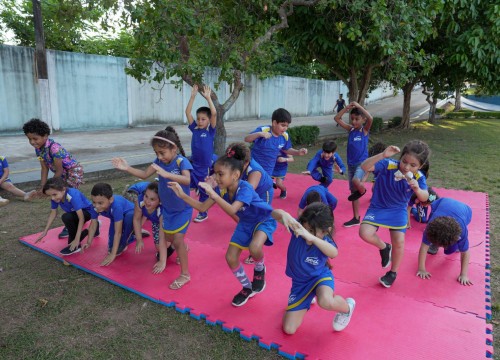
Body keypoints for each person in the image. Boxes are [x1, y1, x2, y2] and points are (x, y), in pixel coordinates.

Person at [168, 145, 277, 307]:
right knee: (230, 257)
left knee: (255, 247)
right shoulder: (222, 189)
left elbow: (233, 209)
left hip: (263, 219)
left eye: (220, 174)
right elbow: (202, 207)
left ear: (235, 175)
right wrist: (183, 194)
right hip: (246, 222)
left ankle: (260, 268)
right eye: (215, 173)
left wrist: (213, 193)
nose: (216, 178)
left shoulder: (246, 186)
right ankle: (247, 287)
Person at [112, 127, 192, 290]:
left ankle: (185, 274)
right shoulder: (158, 162)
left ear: (174, 149)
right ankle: (183, 248)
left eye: (162, 153)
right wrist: (126, 168)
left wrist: (168, 174)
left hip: (182, 209)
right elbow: (143, 174)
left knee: (176, 240)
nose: (159, 157)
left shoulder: (180, 161)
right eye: (156, 153)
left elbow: (187, 180)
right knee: (170, 239)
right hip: (167, 210)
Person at [272, 203, 355, 334]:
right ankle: (308, 297)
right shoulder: (297, 230)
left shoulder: (325, 242)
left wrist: (312, 238)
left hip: (319, 278)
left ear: (325, 230)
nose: (305, 233)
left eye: (311, 231)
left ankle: (347, 308)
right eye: (305, 228)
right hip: (300, 284)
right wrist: (283, 214)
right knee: (289, 329)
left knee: (325, 301)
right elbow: (274, 213)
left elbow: (334, 253)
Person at [359, 140, 430, 288]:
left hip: (398, 210)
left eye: (413, 165)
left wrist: (417, 189)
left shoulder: (419, 177)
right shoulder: (388, 164)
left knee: (399, 242)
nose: (406, 167)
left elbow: (425, 197)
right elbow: (364, 166)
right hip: (378, 206)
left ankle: (393, 273)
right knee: (364, 233)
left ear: (420, 166)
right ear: (401, 157)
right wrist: (382, 155)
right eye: (404, 162)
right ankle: (384, 247)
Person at [23, 118, 84, 238]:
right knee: (60, 197)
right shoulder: (38, 149)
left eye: (35, 138)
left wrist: (49, 187)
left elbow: (60, 170)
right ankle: (77, 217)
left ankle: (73, 222)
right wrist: (43, 187)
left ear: (45, 135)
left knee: (66, 196)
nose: (32, 142)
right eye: (29, 139)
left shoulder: (54, 148)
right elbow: (44, 169)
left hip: (73, 172)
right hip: (61, 174)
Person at [35, 177, 99, 256]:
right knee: (69, 218)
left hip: (89, 212)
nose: (52, 198)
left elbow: (81, 218)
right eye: (50, 196)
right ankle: (94, 227)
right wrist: (45, 231)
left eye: (54, 194)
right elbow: (53, 213)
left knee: (67, 217)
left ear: (63, 189)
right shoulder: (55, 198)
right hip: (75, 214)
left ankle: (75, 245)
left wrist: (77, 239)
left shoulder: (72, 195)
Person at [416, 198, 473, 286]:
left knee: (451, 251)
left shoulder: (462, 231)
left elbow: (465, 253)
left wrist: (464, 274)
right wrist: (421, 269)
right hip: (441, 202)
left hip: (466, 210)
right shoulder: (430, 228)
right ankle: (435, 243)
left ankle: (455, 245)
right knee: (433, 240)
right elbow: (423, 247)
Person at [334, 102, 373, 227]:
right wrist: (346, 108)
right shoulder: (350, 129)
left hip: (361, 164)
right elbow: (336, 118)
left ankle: (363, 190)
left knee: (357, 181)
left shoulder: (364, 130)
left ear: (363, 119)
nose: (354, 121)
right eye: (353, 119)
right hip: (350, 164)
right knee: (353, 192)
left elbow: (371, 118)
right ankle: (356, 218)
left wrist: (359, 106)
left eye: (357, 119)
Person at [127, 181, 176, 273]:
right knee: (160, 248)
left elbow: (162, 237)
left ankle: (179, 244)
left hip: (172, 220)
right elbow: (137, 219)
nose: (147, 201)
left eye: (152, 199)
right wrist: (139, 239)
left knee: (167, 242)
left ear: (160, 201)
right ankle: (174, 244)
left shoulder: (162, 212)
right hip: (156, 221)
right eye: (146, 196)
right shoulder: (140, 201)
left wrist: (162, 261)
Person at [82, 182, 135, 266]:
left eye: (100, 203)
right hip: (115, 218)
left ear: (110, 200)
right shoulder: (94, 207)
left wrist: (113, 255)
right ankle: (135, 232)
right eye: (94, 202)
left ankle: (130, 236)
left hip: (131, 214)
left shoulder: (116, 206)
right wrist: (89, 242)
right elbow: (93, 225)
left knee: (128, 220)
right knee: (111, 248)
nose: (96, 206)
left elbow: (118, 232)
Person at [244, 108, 308, 177]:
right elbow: (247, 139)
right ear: (274, 123)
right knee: (250, 186)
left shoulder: (284, 136)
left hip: (268, 170)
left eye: (287, 126)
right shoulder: (263, 130)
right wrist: (259, 134)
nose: (285, 128)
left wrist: (298, 152)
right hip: (253, 167)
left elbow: (287, 149)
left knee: (265, 187)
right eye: (283, 125)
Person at [185, 84, 217, 223]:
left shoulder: (210, 131)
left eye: (203, 119)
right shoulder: (195, 129)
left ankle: (203, 212)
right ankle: (195, 188)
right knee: (188, 180)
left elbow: (214, 113)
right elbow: (187, 113)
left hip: (205, 166)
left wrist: (208, 98)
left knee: (204, 189)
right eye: (198, 118)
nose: (199, 121)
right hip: (194, 164)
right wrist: (192, 97)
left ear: (209, 120)